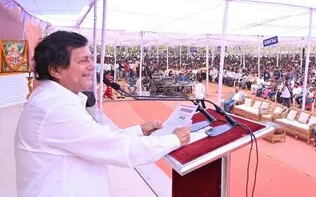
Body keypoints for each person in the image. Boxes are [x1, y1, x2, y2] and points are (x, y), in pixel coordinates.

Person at [14, 31, 190, 197]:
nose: (92, 66)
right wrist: (174, 139)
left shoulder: (53, 100)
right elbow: (121, 149)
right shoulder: (56, 108)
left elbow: (94, 139)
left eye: (91, 59)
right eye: (83, 61)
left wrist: (139, 130)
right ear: (56, 70)